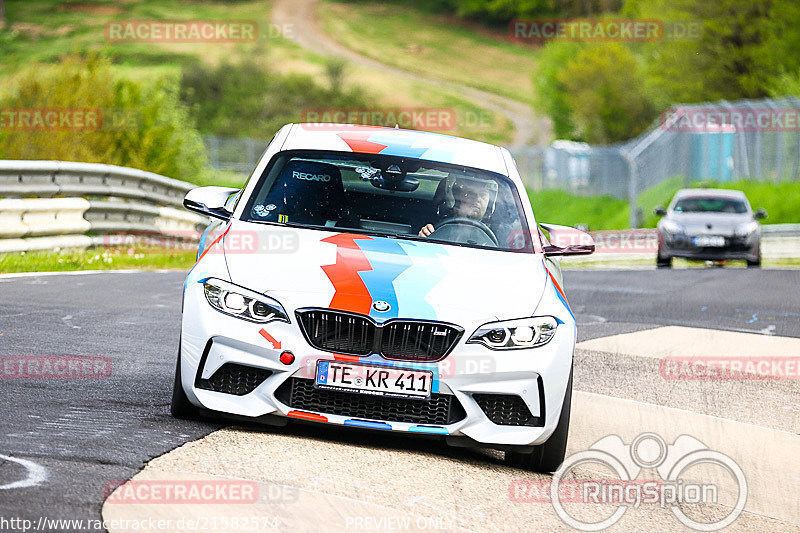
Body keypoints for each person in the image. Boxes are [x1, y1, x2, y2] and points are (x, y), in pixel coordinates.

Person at [418, 175, 497, 237]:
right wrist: (423, 238)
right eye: (470, 194)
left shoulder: (497, 234)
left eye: (483, 195)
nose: (478, 199)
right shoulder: (434, 227)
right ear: (455, 199)